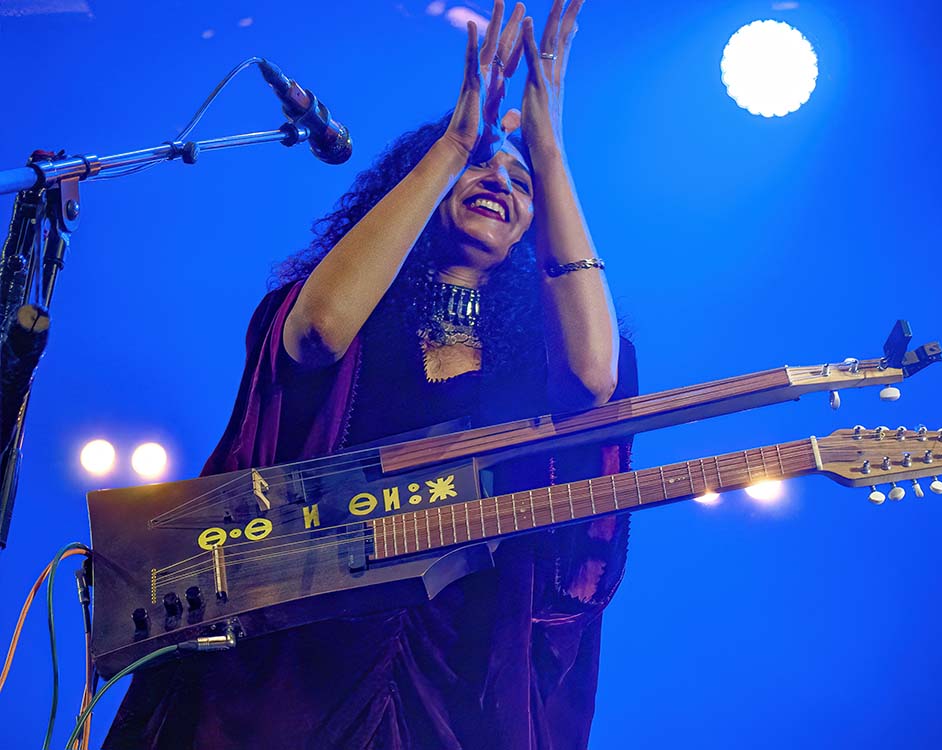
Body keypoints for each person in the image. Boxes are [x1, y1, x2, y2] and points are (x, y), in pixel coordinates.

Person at [104, 1, 638, 747]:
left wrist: (550, 155)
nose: (500, 179)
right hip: (297, 655)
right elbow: (317, 333)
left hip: (462, 669)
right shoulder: (351, 305)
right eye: (481, 165)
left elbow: (592, 380)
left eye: (523, 183)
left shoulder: (540, 346)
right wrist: (457, 140)